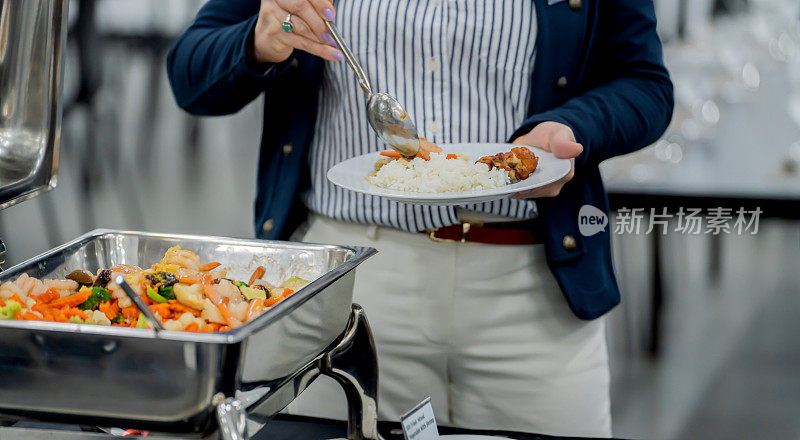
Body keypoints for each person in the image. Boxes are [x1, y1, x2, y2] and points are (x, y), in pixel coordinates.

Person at [167, 0, 673, 437]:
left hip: (532, 292)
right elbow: (189, 73)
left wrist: (569, 127)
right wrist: (259, 40)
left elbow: (645, 84)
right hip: (353, 290)